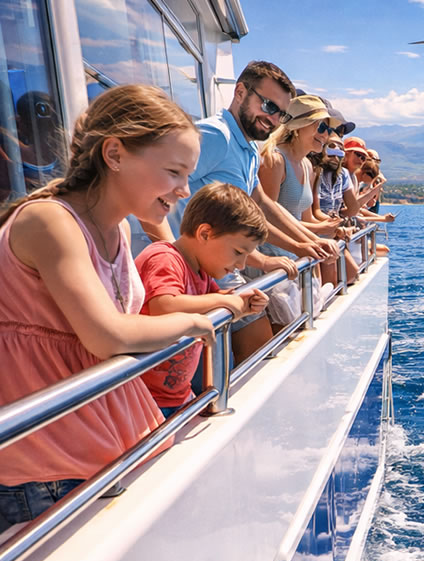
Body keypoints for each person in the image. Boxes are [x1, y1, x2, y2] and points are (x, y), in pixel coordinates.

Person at [0, 84, 212, 526]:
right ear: (114, 154)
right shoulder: (50, 221)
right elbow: (106, 335)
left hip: (99, 455)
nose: (185, 190)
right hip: (48, 471)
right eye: (174, 172)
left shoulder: (115, 229)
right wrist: (191, 322)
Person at [135, 61, 335, 362]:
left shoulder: (249, 148)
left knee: (256, 360)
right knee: (256, 358)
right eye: (267, 105)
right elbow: (148, 188)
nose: (272, 119)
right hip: (192, 276)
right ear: (240, 91)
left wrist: (301, 245)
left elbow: (261, 203)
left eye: (280, 114)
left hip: (217, 273)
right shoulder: (216, 136)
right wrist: (170, 253)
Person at [136, 183, 269, 417]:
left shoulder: (202, 271)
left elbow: (212, 299)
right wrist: (227, 303)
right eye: (238, 252)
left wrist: (244, 303)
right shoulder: (165, 258)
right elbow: (163, 306)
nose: (241, 265)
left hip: (177, 396)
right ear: (205, 233)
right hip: (143, 400)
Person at [257, 94, 353, 313]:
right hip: (275, 266)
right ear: (299, 126)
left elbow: (305, 218)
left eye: (329, 130)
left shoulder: (308, 166)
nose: (326, 136)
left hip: (301, 262)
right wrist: (313, 240)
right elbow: (265, 216)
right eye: (321, 128)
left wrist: (320, 239)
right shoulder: (274, 160)